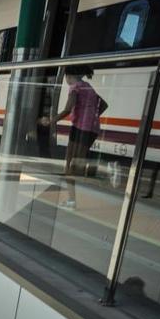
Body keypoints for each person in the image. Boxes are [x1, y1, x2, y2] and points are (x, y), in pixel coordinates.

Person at [43, 65, 108, 210]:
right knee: (76, 164)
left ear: (68, 76)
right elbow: (104, 105)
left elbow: (67, 109)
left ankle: (72, 201)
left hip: (80, 129)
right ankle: (74, 199)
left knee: (70, 166)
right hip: (92, 129)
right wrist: (92, 117)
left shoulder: (75, 88)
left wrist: (51, 120)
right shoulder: (87, 87)